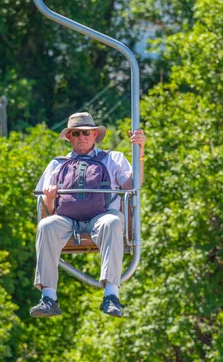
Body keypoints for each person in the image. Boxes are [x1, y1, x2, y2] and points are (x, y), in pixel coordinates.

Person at [30, 112, 145, 318]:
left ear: (94, 134)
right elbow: (47, 207)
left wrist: (140, 151)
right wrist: (49, 198)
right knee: (46, 226)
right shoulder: (57, 164)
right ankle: (48, 297)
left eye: (86, 132)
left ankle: (111, 295)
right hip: (67, 219)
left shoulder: (113, 158)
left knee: (111, 222)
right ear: (69, 137)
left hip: (101, 215)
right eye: (76, 133)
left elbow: (133, 186)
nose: (81, 137)